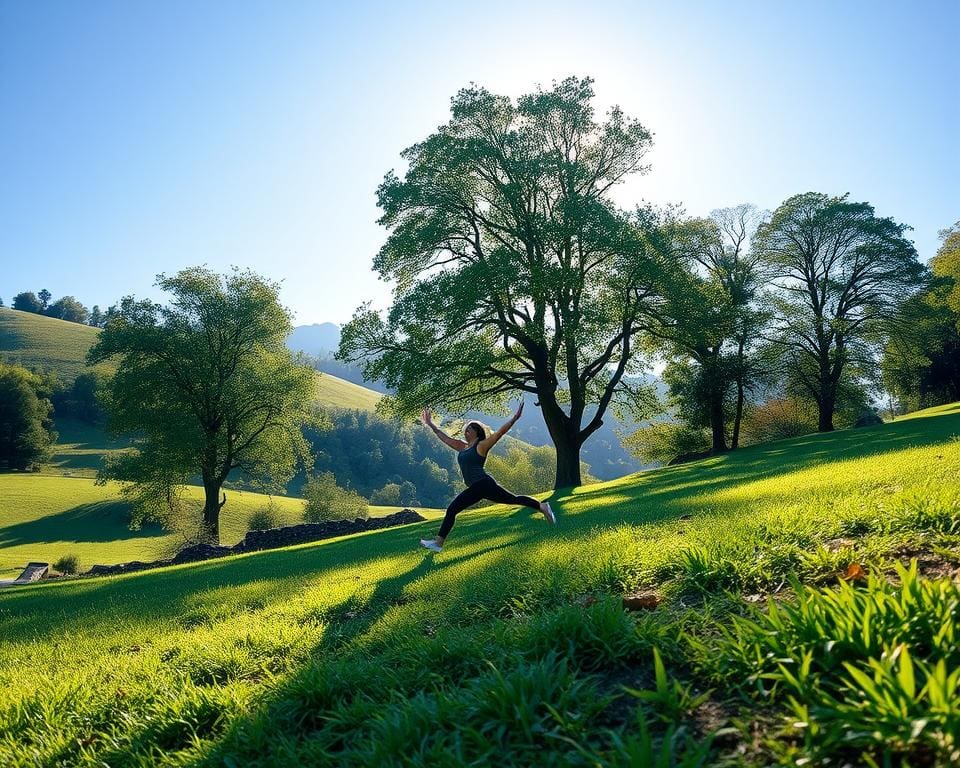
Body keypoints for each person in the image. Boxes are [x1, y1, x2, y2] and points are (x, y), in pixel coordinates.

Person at [418, 402, 555, 552]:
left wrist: (514, 418)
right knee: (512, 499)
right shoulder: (463, 447)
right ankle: (542, 506)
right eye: (466, 430)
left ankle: (438, 544)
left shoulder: (481, 446)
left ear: (477, 432)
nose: (466, 432)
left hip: (481, 484)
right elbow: (443, 437)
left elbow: (499, 434)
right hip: (481, 486)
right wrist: (430, 424)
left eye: (469, 430)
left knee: (452, 509)